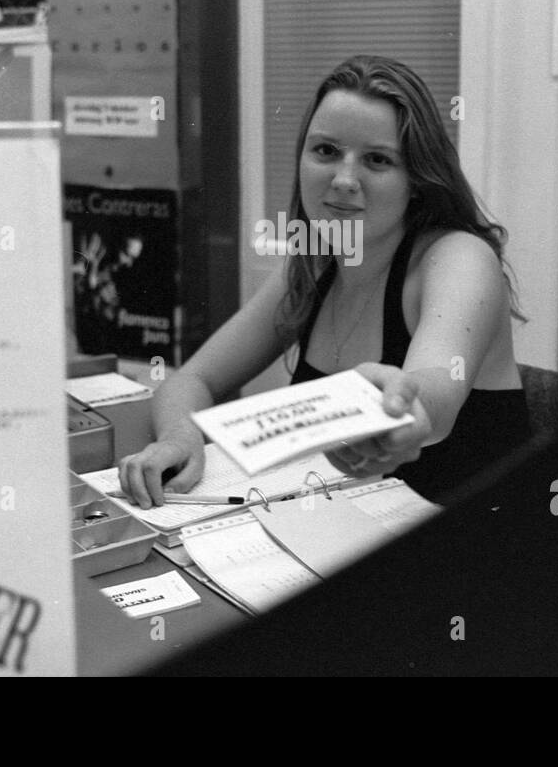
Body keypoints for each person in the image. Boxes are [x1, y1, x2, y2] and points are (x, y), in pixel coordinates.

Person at [118, 55, 531, 508]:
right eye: (326, 151)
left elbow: (436, 390)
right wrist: (181, 437)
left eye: (377, 159)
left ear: (416, 179)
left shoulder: (457, 257)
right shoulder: (313, 265)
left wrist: (402, 410)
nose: (343, 179)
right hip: (347, 534)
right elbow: (192, 378)